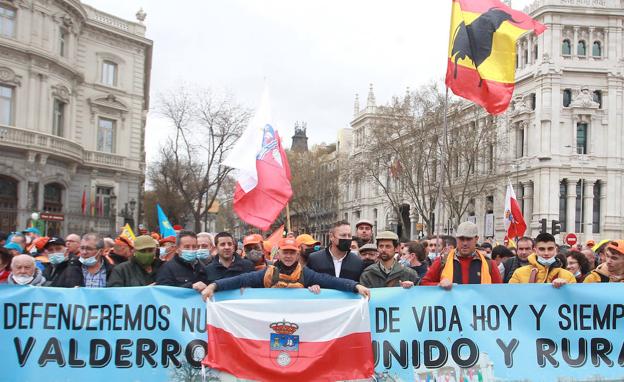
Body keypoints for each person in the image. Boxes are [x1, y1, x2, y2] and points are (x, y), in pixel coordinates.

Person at [194, 237, 370, 300]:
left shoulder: (305, 274)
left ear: (297, 254)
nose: (288, 256)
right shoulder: (267, 274)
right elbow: (239, 280)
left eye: (292, 253)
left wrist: (355, 286)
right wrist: (214, 286)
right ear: (278, 254)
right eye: (285, 252)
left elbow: (331, 281)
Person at [421, 221, 502, 288]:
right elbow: (424, 283)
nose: (465, 243)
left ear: (476, 239)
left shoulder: (489, 264)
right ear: (457, 239)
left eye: (468, 239)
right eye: (461, 239)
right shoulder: (442, 261)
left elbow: (499, 291)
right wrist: (439, 284)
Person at [509, 233, 576, 287]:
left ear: (555, 250)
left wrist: (566, 287)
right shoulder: (519, 273)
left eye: (550, 249)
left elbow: (574, 301)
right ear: (535, 250)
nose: (546, 253)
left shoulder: (568, 276)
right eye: (542, 249)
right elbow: (511, 297)